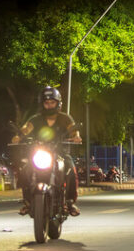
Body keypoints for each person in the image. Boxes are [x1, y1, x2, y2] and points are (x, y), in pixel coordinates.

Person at [12, 86, 82, 216]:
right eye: (46, 102)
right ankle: (27, 202)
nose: (49, 105)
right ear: (42, 104)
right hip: (40, 152)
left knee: (71, 169)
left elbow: (73, 129)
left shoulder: (64, 118)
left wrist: (76, 136)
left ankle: (70, 202)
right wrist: (19, 136)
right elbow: (26, 128)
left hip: (60, 153)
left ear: (58, 103)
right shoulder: (36, 118)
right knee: (25, 169)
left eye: (52, 102)